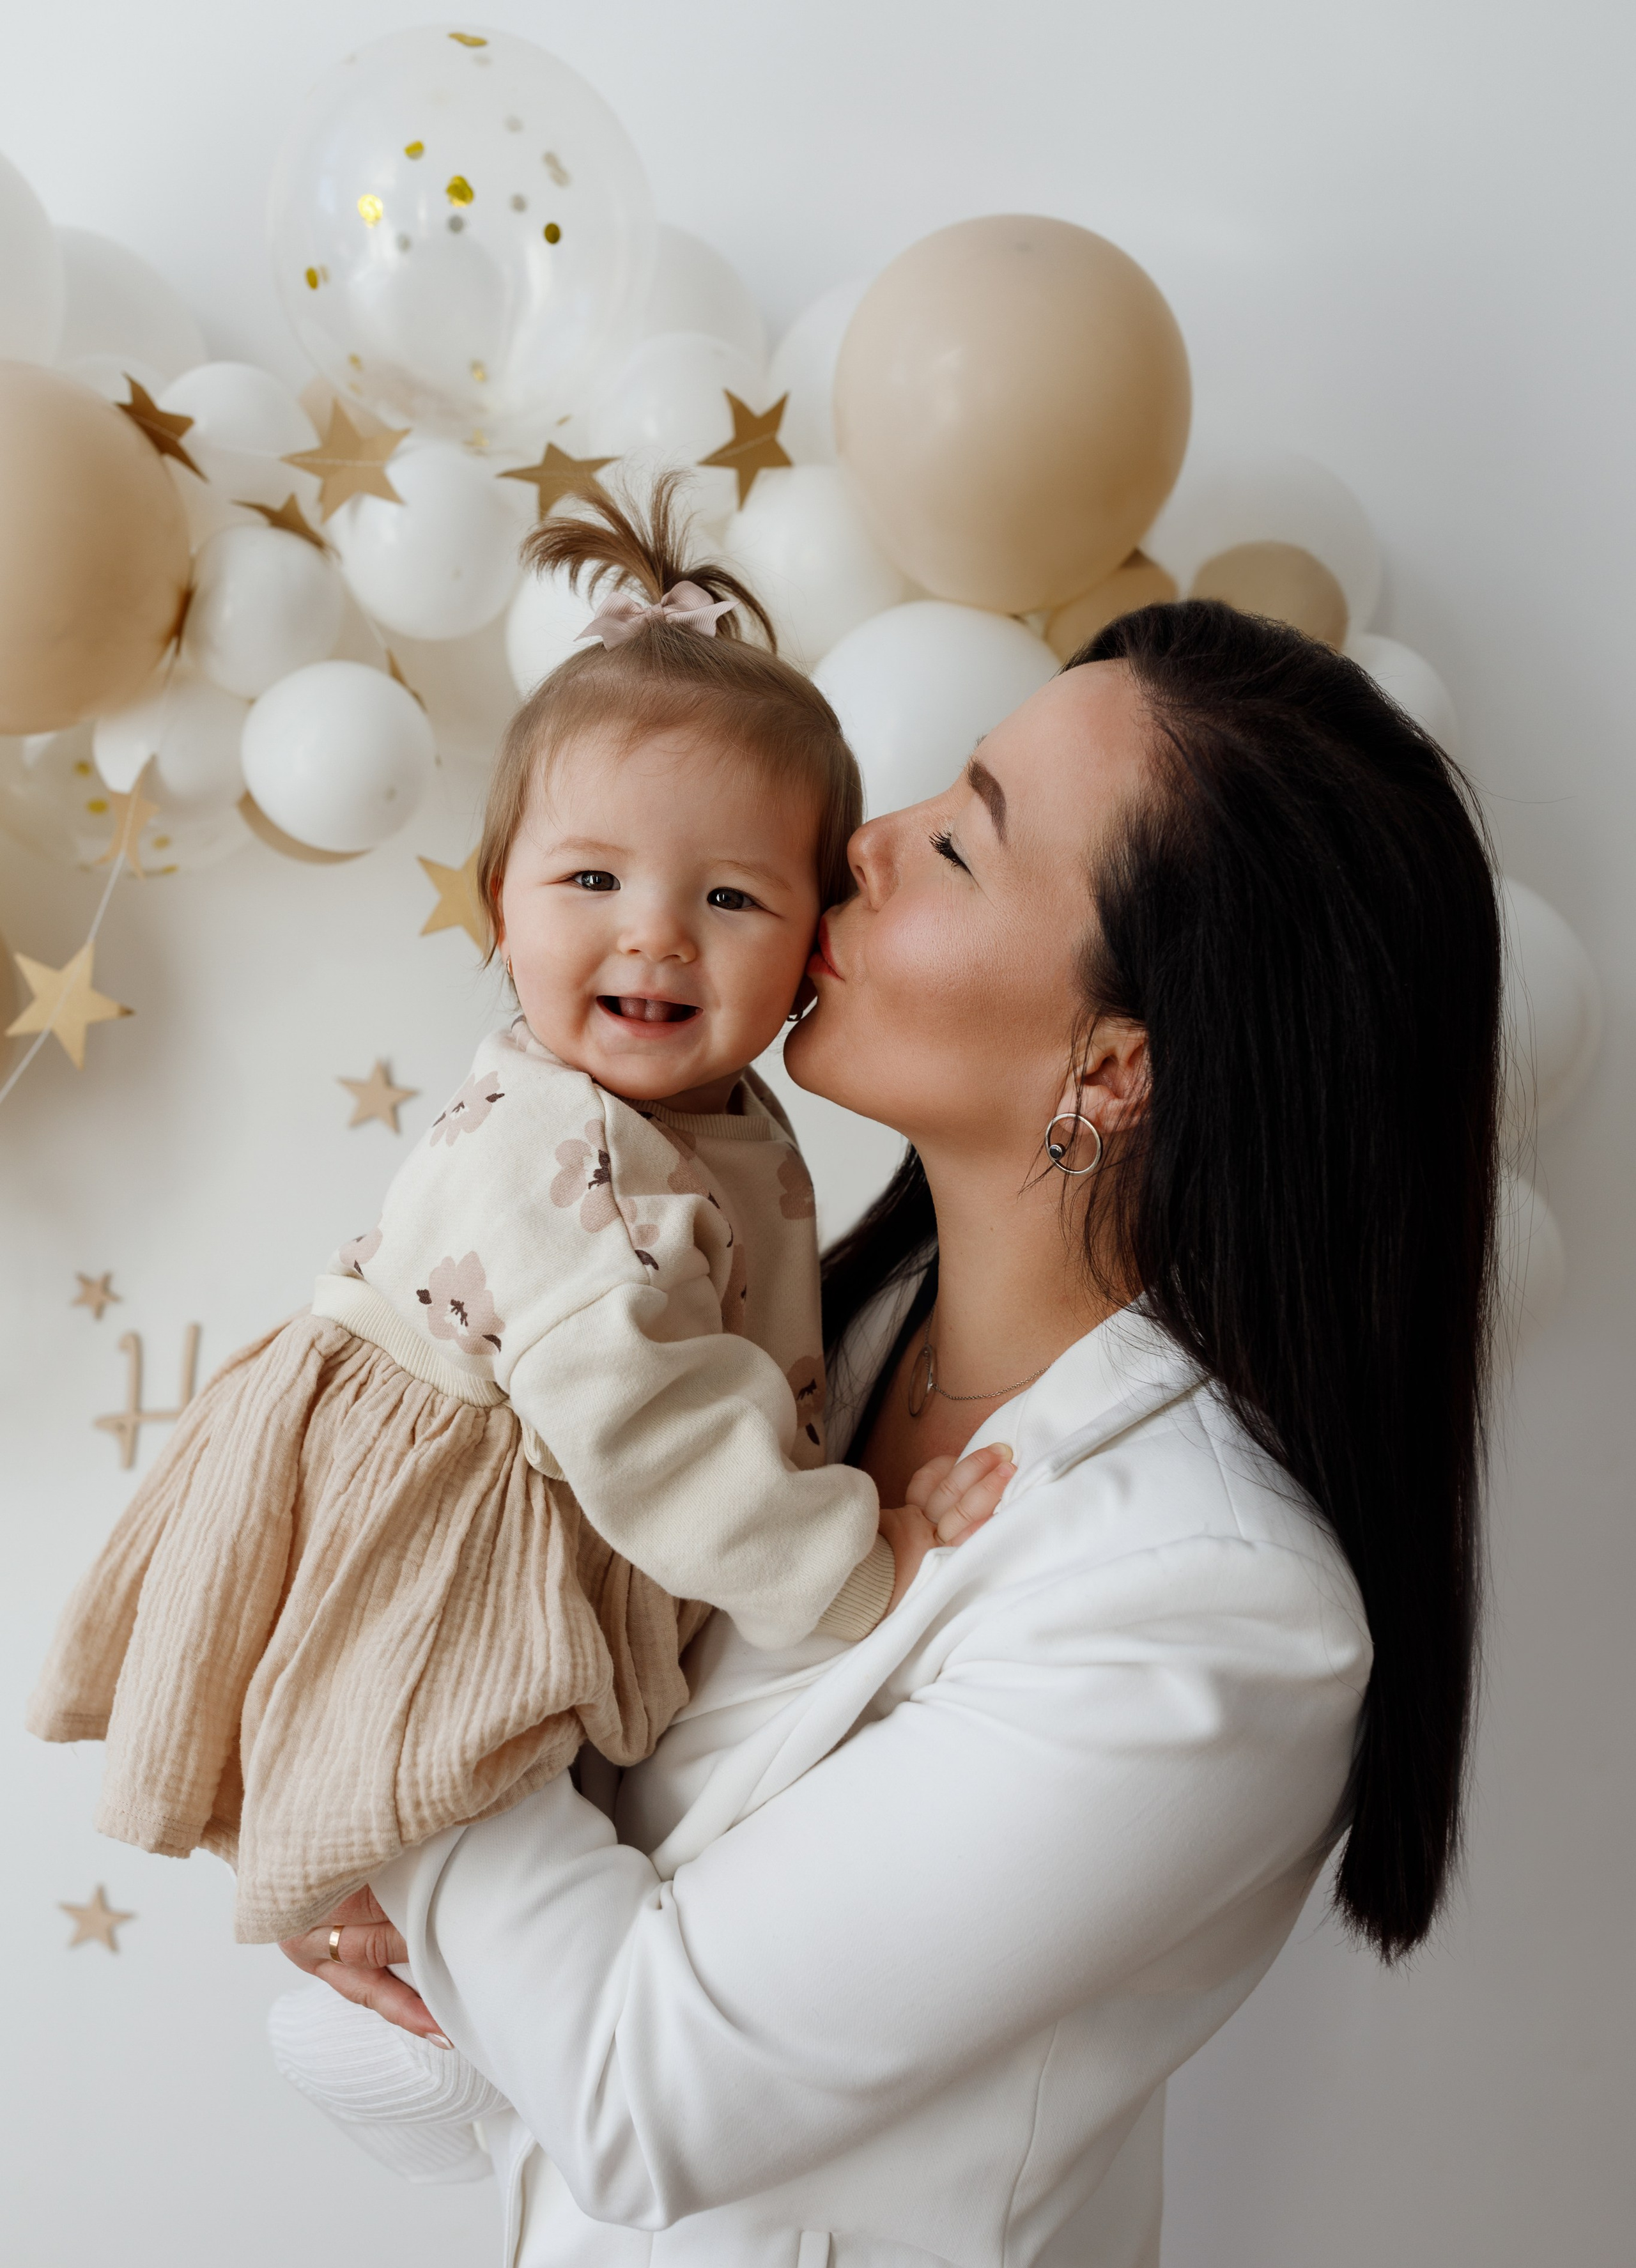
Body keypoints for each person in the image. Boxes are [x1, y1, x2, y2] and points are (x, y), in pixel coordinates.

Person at [274, 598, 1502, 2268]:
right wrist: (380, 1866)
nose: (856, 837)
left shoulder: (1207, 1609)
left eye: (957, 837)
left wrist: (399, 1737)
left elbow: (639, 2085)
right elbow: (531, 2012)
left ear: (1115, 1062)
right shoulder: (792, 1351)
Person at [26, 478, 1011, 1950]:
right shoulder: (581, 1160)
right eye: (592, 879)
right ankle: (374, 1905)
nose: (655, 934)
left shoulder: (714, 1122)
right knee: (428, 1777)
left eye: (732, 899)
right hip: (447, 1514)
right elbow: (647, 1426)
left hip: (539, 1488)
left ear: (815, 936)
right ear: (502, 902)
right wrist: (854, 1568)